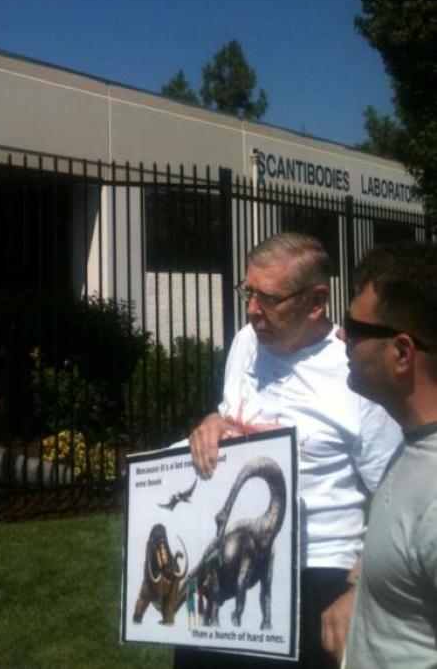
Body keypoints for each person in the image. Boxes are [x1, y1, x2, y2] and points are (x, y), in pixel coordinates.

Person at [175, 233, 401, 669]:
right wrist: (213, 422)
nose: (251, 309)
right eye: (249, 292)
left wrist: (362, 586)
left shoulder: (355, 375)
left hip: (316, 572)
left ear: (316, 302)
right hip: (227, 551)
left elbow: (395, 494)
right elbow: (232, 412)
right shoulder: (246, 343)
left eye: (268, 298)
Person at [342, 241, 437, 669]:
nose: (340, 334)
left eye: (353, 327)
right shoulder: (413, 443)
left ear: (402, 353)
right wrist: (363, 595)